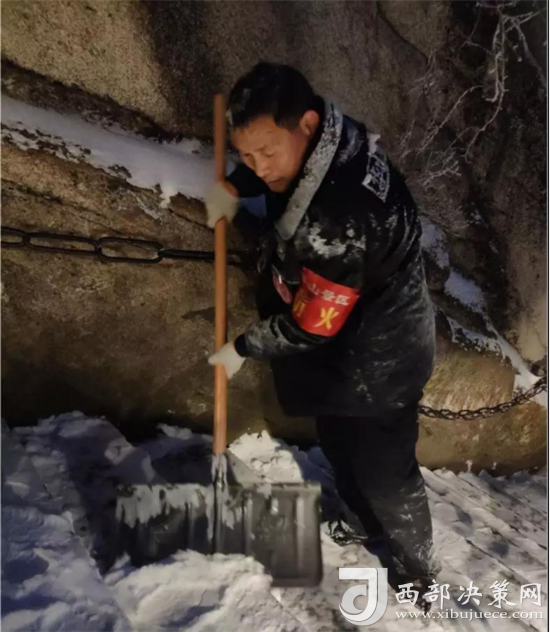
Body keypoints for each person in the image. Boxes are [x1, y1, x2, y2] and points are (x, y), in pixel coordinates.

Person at [206, 62, 441, 609]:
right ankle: (361, 522)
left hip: (384, 359)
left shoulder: (337, 217)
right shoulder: (334, 140)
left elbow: (312, 322)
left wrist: (243, 347)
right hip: (350, 345)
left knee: (387, 474)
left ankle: (418, 570)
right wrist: (238, 184)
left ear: (307, 125)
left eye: (267, 152)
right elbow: (277, 180)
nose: (259, 167)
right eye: (247, 155)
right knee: (337, 439)